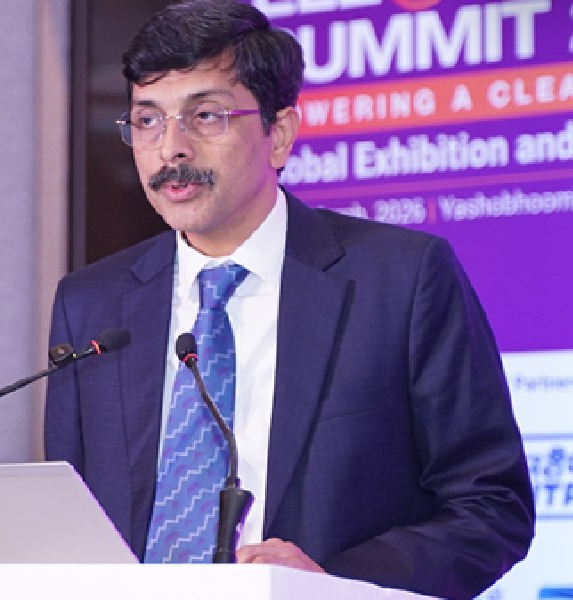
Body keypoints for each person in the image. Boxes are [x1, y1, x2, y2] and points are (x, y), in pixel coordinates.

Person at [44, 1, 534, 597]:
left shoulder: (401, 279)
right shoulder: (93, 303)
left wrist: (332, 584)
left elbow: (491, 505)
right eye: (147, 120)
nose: (170, 147)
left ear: (278, 135)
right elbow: (73, 520)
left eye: (205, 116)